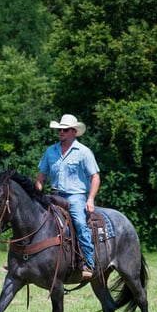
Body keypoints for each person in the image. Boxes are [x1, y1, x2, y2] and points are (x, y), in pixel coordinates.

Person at [35, 114, 100, 280]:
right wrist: (37, 191)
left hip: (76, 196)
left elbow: (95, 177)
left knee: (79, 222)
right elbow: (41, 176)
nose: (60, 132)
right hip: (54, 194)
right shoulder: (51, 151)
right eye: (59, 129)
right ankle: (25, 259)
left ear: (73, 131)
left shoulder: (84, 152)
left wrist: (90, 199)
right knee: (32, 217)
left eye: (64, 129)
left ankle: (88, 262)